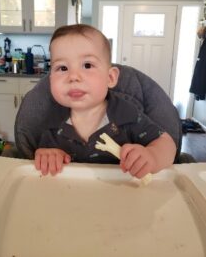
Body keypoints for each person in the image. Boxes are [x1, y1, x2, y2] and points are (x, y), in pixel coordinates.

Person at [35, 24, 176, 178]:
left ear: (110, 78)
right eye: (62, 68)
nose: (73, 76)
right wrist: (47, 156)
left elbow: (167, 143)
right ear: (50, 79)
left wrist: (152, 156)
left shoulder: (126, 115)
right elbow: (40, 164)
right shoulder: (51, 122)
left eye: (87, 65)